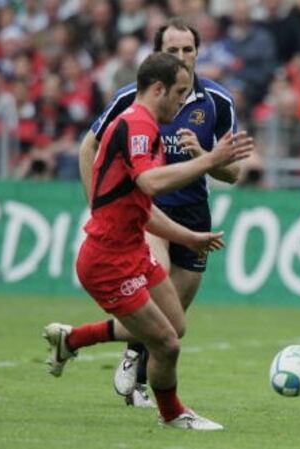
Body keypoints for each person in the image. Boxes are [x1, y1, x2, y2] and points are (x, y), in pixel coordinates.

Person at [44, 52, 252, 430]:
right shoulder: (138, 125)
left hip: (133, 249)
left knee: (173, 324)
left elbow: (144, 208)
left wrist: (189, 237)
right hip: (108, 260)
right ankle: (172, 414)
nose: (183, 102)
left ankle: (72, 339)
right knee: (166, 344)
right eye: (179, 93)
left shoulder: (148, 125)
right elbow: (151, 183)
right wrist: (209, 160)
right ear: (158, 89)